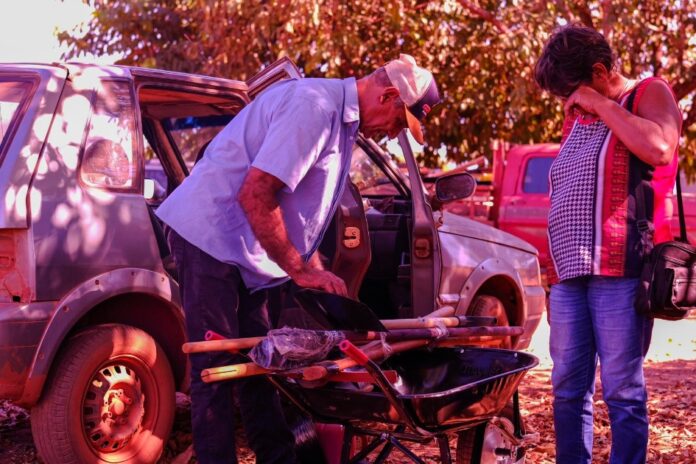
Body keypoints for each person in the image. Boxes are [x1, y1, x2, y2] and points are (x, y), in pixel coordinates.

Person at [155, 54, 441, 464]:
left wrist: (316, 271)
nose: (394, 133)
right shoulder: (314, 107)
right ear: (389, 95)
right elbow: (256, 193)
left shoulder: (342, 124)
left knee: (263, 362)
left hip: (246, 250)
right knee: (213, 369)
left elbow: (299, 212)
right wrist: (300, 270)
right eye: (400, 122)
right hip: (208, 236)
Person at [534, 25, 682, 464]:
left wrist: (600, 103)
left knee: (621, 388)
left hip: (621, 269)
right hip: (569, 271)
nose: (568, 101)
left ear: (599, 71)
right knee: (567, 387)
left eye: (574, 90)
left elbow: (659, 148)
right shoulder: (578, 116)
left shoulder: (647, 92)